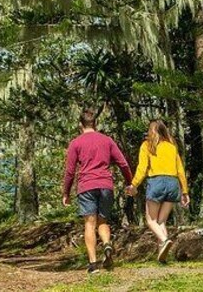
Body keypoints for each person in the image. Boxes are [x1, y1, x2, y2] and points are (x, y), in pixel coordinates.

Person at [62, 109, 133, 274]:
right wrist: (129, 182)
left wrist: (66, 192)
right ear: (95, 123)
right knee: (103, 222)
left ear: (80, 125)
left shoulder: (76, 143)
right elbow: (123, 163)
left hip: (87, 185)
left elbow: (70, 171)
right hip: (105, 185)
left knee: (89, 223)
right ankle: (107, 243)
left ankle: (93, 265)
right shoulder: (107, 141)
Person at [126, 119, 189, 263]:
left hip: (157, 182)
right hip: (173, 183)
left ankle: (165, 240)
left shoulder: (147, 145)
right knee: (161, 221)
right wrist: (185, 191)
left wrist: (134, 185)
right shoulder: (172, 146)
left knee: (151, 220)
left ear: (151, 131)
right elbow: (180, 170)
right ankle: (163, 256)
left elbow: (142, 169)